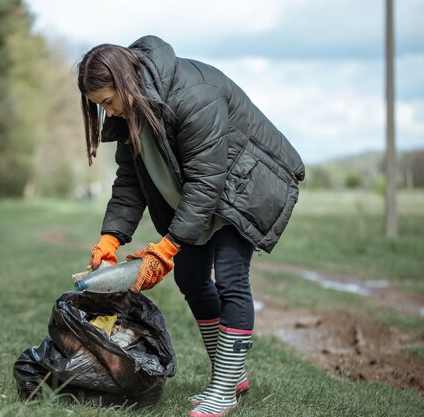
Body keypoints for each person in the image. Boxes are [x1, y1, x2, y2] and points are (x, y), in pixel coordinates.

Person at [78, 35, 304, 417]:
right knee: (192, 279)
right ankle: (231, 375)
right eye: (99, 106)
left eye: (108, 102)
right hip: (203, 191)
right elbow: (131, 181)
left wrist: (166, 247)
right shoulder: (131, 111)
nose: (108, 112)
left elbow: (206, 182)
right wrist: (110, 236)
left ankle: (225, 390)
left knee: (231, 278)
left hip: (244, 184)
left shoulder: (193, 96)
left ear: (125, 82)